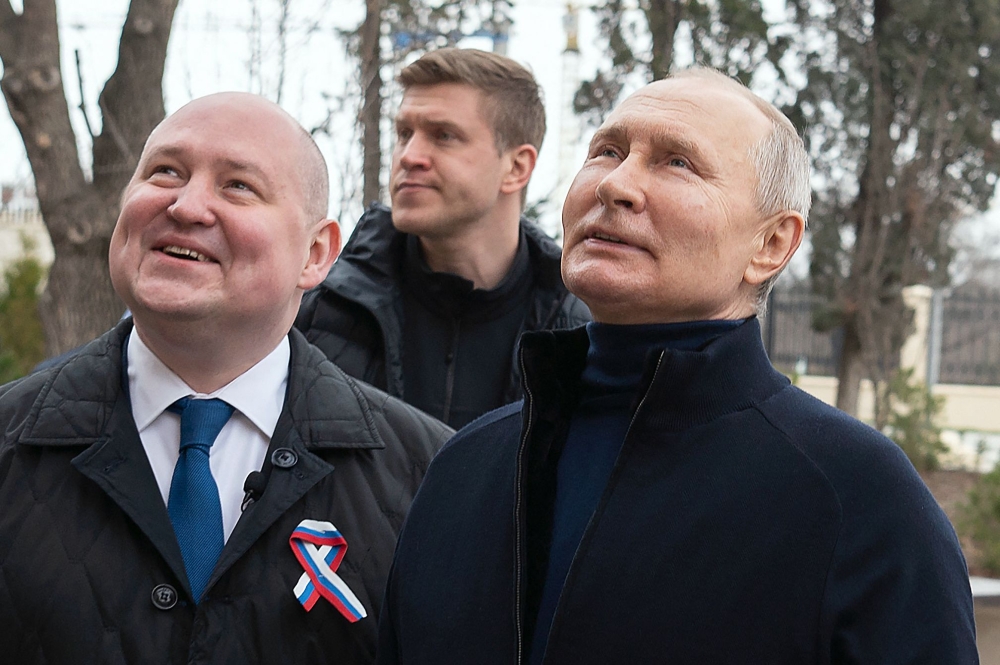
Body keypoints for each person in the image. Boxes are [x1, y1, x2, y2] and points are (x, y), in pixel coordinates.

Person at [376, 68, 977, 664]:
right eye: (607, 151)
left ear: (771, 244)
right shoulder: (463, 467)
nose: (616, 185)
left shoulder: (856, 499)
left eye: (678, 163)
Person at [0, 92, 452, 664]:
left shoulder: (433, 479)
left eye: (238, 185)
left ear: (316, 253)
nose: (186, 206)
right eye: (166, 172)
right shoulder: (10, 442)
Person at [296, 48, 590, 429]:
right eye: (404, 133)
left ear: (517, 167)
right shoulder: (320, 315)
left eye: (444, 136)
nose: (409, 156)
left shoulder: (581, 338)